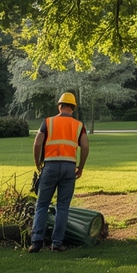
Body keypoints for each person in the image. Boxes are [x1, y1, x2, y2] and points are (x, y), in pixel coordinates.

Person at [29, 91, 89, 252]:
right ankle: (56, 243)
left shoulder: (48, 122)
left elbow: (37, 143)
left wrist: (38, 163)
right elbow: (85, 146)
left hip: (50, 166)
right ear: (73, 108)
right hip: (69, 168)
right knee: (62, 207)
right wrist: (81, 167)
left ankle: (36, 241)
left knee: (42, 204)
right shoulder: (78, 125)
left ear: (59, 106)